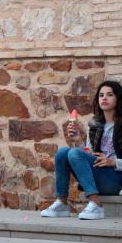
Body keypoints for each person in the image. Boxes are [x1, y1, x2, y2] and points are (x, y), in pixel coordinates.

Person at [41, 80, 122, 220]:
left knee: (73, 153)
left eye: (110, 95)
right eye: (101, 95)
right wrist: (78, 139)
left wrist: (113, 162)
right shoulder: (95, 125)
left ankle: (95, 203)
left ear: (118, 98)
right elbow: (87, 154)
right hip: (98, 175)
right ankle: (61, 202)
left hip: (116, 178)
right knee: (63, 152)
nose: (104, 98)